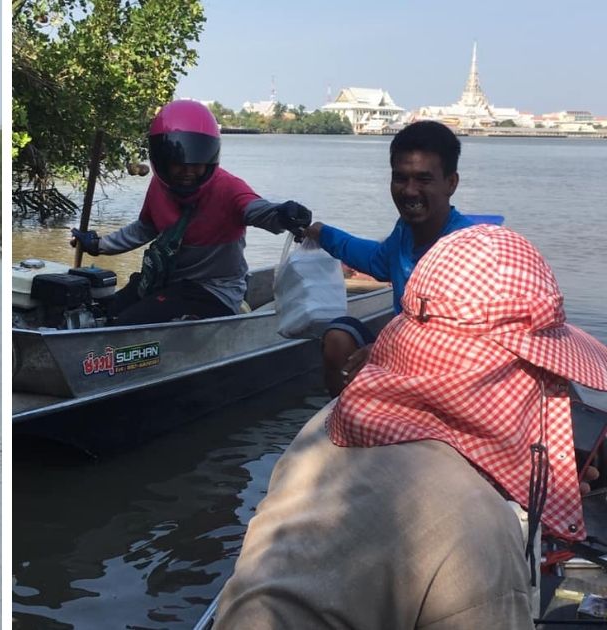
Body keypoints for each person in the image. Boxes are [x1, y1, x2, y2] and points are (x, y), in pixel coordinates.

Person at [213, 225, 607, 629]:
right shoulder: (477, 526)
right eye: (547, 376)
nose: (552, 391)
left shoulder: (328, 423)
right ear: (509, 377)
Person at [69, 99, 313, 326]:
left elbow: (257, 210)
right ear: (163, 161)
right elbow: (144, 228)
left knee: (126, 324)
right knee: (105, 310)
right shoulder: (158, 187)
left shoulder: (228, 188)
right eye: (178, 164)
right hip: (165, 281)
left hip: (214, 291)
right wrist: (99, 245)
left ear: (210, 159)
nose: (188, 172)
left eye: (196, 164)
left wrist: (283, 214)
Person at [302, 120, 493, 397]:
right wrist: (323, 234)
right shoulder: (405, 231)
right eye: (400, 178)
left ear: (451, 183)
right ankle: (344, 417)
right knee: (338, 339)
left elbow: (469, 341)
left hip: (450, 373)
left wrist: (390, 350)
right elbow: (377, 261)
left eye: (423, 180)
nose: (410, 191)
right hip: (401, 350)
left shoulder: (466, 249)